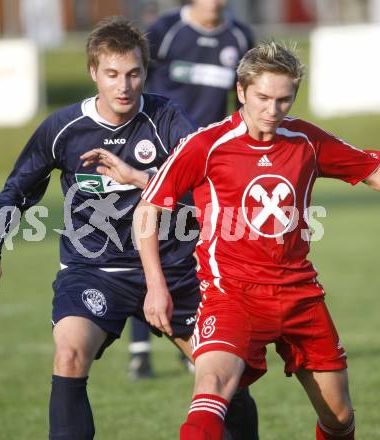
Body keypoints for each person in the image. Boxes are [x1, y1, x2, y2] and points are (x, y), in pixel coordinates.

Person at [0, 17, 257, 440]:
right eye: (112, 74)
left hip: (174, 268)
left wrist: (139, 177)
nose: (125, 85)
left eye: (134, 73)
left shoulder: (168, 119)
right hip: (96, 270)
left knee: (225, 377)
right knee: (68, 354)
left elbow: (212, 189)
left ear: (145, 71)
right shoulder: (63, 129)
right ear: (93, 73)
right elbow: (15, 191)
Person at [134, 41, 380, 440]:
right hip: (232, 294)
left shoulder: (306, 141)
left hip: (300, 294)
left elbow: (372, 169)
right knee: (211, 390)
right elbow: (148, 210)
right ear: (242, 91)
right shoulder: (206, 145)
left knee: (339, 416)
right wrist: (155, 284)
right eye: (263, 97)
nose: (272, 109)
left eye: (284, 100)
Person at [128, 0, 254, 380]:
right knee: (150, 246)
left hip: (210, 164)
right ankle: (140, 351)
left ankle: (194, 339)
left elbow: (244, 101)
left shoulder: (239, 36)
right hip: (162, 157)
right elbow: (133, 86)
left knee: (199, 251)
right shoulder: (166, 31)